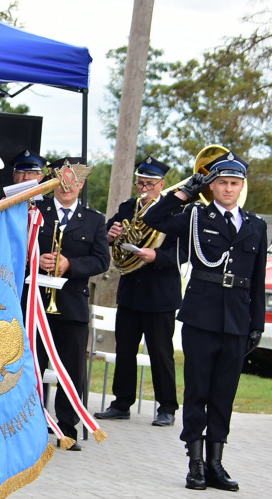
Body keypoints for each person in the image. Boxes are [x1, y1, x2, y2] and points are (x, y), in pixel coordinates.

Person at [142, 152, 267, 491]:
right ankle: (195, 463)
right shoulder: (196, 215)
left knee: (224, 394)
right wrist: (184, 193)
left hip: (238, 319)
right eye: (223, 183)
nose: (229, 189)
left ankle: (215, 463)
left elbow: (258, 280)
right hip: (201, 316)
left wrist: (258, 324)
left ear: (242, 186)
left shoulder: (255, 225)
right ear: (212, 186)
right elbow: (155, 219)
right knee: (198, 391)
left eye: (234, 183)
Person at [95, 156, 181, 427]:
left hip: (160, 293)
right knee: (125, 349)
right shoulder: (127, 207)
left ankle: (167, 406)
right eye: (140, 183)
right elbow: (109, 235)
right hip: (131, 290)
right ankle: (122, 402)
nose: (143, 189)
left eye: (149, 184)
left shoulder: (173, 210)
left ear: (162, 185)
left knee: (160, 352)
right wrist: (112, 234)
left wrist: (157, 256)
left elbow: (182, 252)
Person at [31, 157, 110, 450]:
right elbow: (15, 247)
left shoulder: (94, 219)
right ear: (54, 180)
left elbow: (102, 260)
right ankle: (33, 426)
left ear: (82, 183)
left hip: (72, 304)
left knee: (71, 370)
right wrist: (35, 261)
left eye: (74, 180)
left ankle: (67, 429)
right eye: (63, 179)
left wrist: (70, 265)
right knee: (34, 367)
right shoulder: (36, 211)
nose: (68, 186)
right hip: (37, 305)